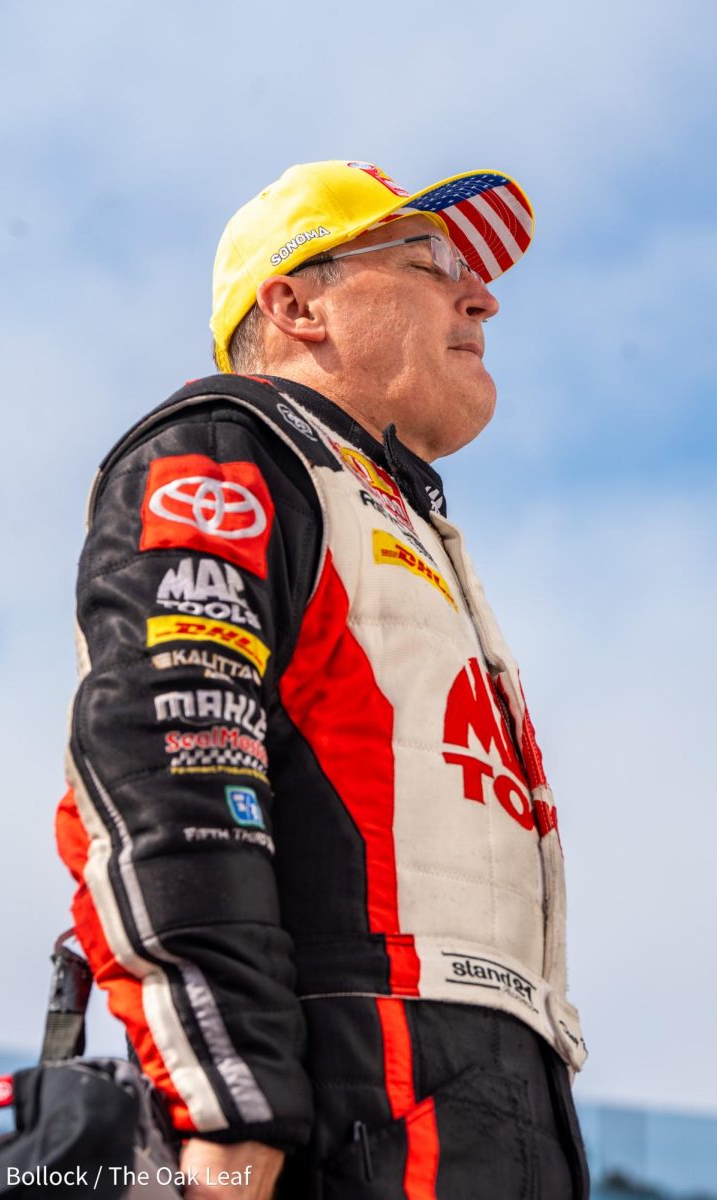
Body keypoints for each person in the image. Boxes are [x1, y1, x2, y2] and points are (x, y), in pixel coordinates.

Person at [56, 158, 590, 1199]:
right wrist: (227, 1114)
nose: (478, 295)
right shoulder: (224, 450)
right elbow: (171, 774)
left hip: (497, 1101)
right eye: (429, 259)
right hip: (339, 1108)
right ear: (296, 305)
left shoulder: (402, 518)